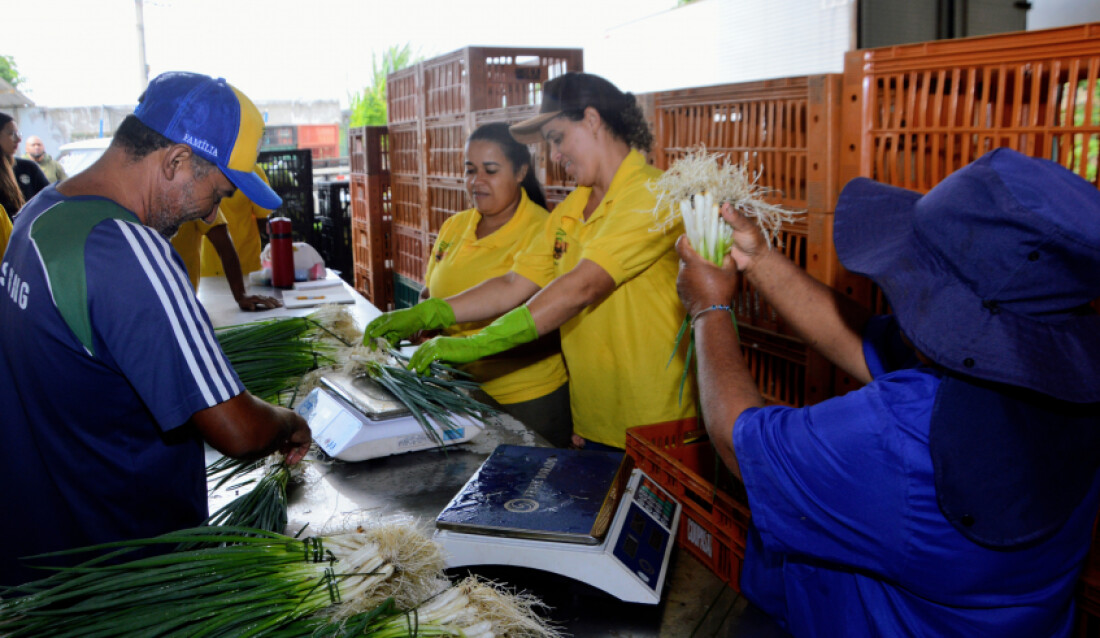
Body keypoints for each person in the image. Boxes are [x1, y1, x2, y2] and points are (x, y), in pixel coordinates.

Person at [675, 147, 1100, 637]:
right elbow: (870, 345)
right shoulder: (1071, 384)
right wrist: (759, 260)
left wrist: (709, 307)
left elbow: (736, 439)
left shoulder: (900, 437)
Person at [0, 72, 312, 588]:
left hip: (43, 552)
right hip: (124, 567)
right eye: (218, 193)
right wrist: (288, 423)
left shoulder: (38, 215)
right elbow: (236, 429)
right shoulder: (129, 250)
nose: (213, 213)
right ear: (176, 161)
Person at [365, 72, 695, 450]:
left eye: (557, 138)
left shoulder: (653, 195)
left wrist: (476, 344)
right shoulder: (571, 209)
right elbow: (512, 284)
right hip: (596, 421)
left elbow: (583, 287)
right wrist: (431, 313)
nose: (554, 155)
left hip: (657, 423)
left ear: (591, 119)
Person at [417, 122, 571, 446]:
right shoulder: (455, 226)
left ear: (520, 171)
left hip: (525, 399)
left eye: (490, 170)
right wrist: (422, 319)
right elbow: (431, 290)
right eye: (470, 170)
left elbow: (554, 328)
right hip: (460, 390)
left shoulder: (543, 231)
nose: (477, 181)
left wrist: (474, 349)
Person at [172, 208, 282, 311]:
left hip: (184, 303)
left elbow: (224, 244)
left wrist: (241, 295)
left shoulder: (194, 197)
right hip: (204, 278)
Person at [200, 164, 274, 278]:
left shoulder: (201, 168)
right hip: (244, 266)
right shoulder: (252, 171)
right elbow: (263, 218)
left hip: (210, 268)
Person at [0, 112, 48, 217]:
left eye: (18, 134)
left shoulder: (28, 168)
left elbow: (49, 200)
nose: (18, 139)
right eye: (12, 134)